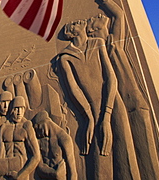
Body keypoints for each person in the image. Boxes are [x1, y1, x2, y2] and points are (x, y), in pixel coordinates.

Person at [90, 0, 159, 179]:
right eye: (95, 19)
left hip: (135, 103)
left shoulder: (114, 41)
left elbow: (119, 15)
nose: (98, 15)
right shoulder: (98, 52)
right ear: (92, 31)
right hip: (119, 106)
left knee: (148, 159)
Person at [57, 19, 140, 180]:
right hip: (90, 109)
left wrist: (107, 115)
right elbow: (74, 89)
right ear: (72, 33)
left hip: (111, 101)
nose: (79, 21)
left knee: (125, 154)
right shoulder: (65, 58)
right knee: (100, 159)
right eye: (74, 24)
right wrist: (88, 117)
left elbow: (111, 78)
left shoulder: (98, 43)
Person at [0, 96, 40, 180]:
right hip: (5, 170)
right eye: (16, 108)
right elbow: (0, 153)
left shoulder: (26, 126)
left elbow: (36, 156)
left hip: (21, 168)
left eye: (22, 109)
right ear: (12, 109)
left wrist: (20, 176)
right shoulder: (4, 127)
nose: (19, 112)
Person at [33, 110, 77, 180]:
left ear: (45, 123)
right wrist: (54, 173)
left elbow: (72, 170)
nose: (38, 133)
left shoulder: (64, 138)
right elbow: (40, 166)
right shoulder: (39, 141)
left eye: (39, 127)